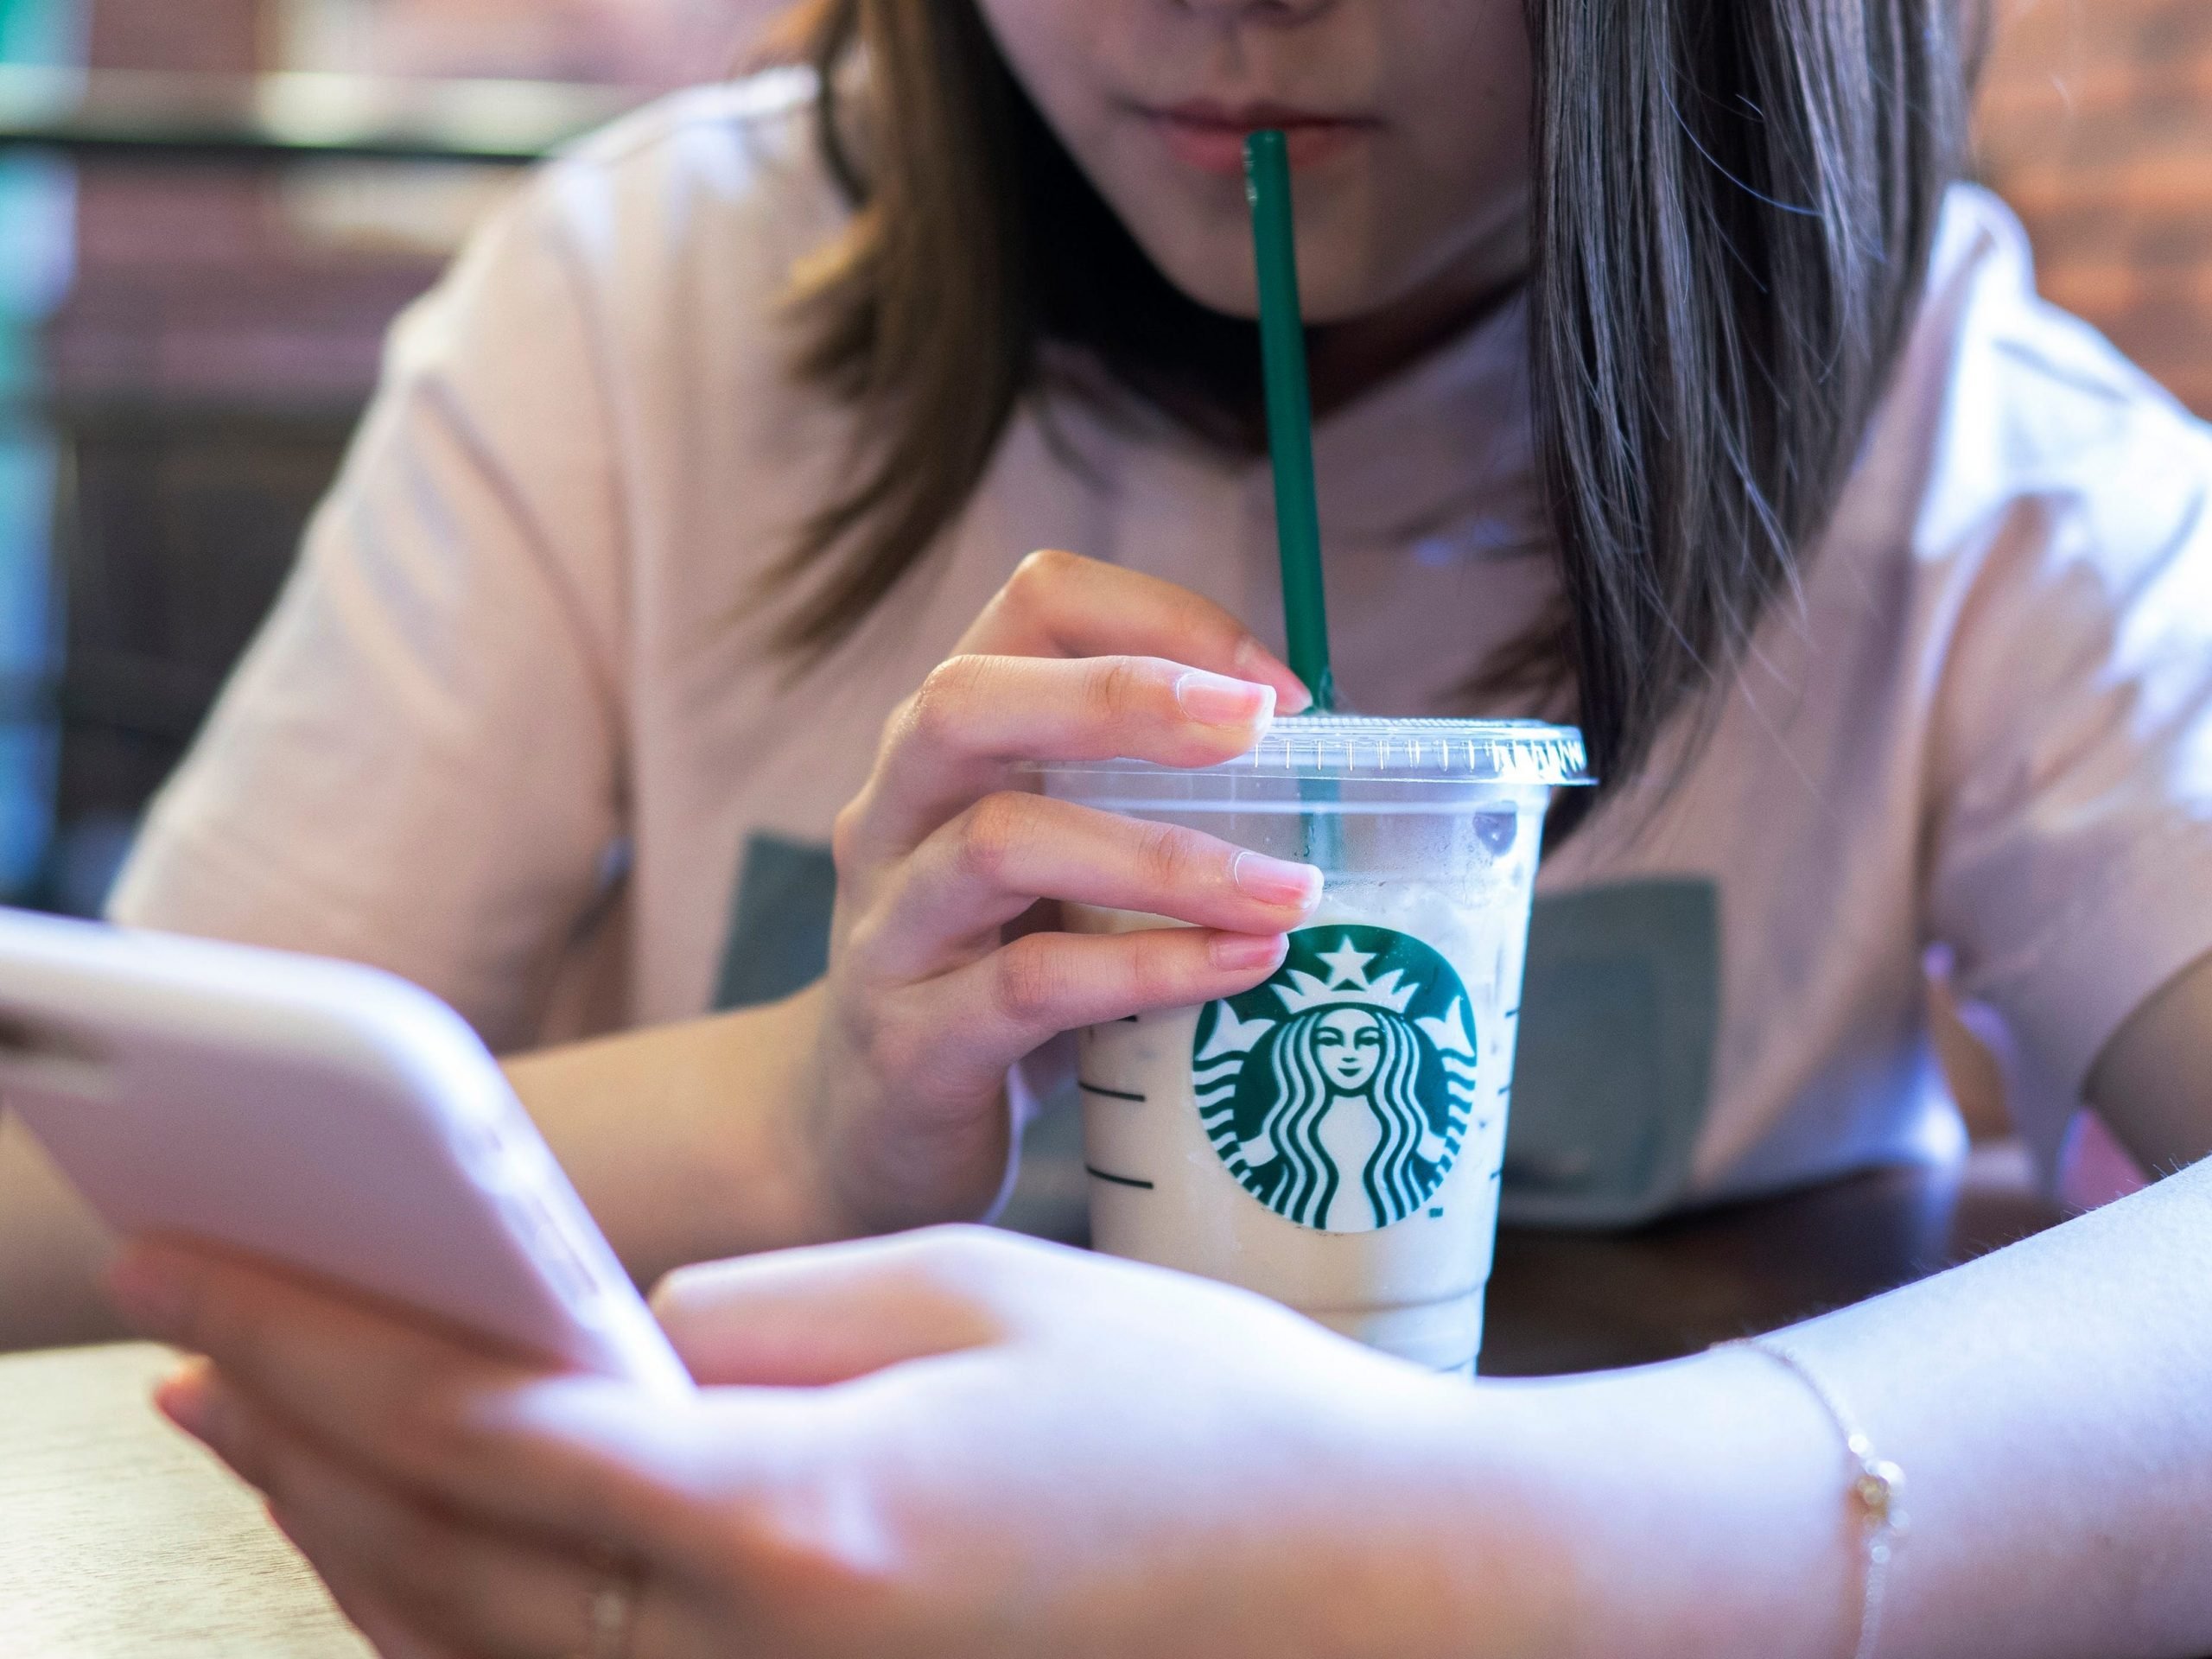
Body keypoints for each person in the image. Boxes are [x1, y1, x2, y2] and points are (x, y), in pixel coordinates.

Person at [16, 0, 2212, 1649]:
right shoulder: (640, 317)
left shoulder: (1964, 455)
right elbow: (74, 1171)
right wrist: (786, 1118)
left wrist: (1518, 1548)